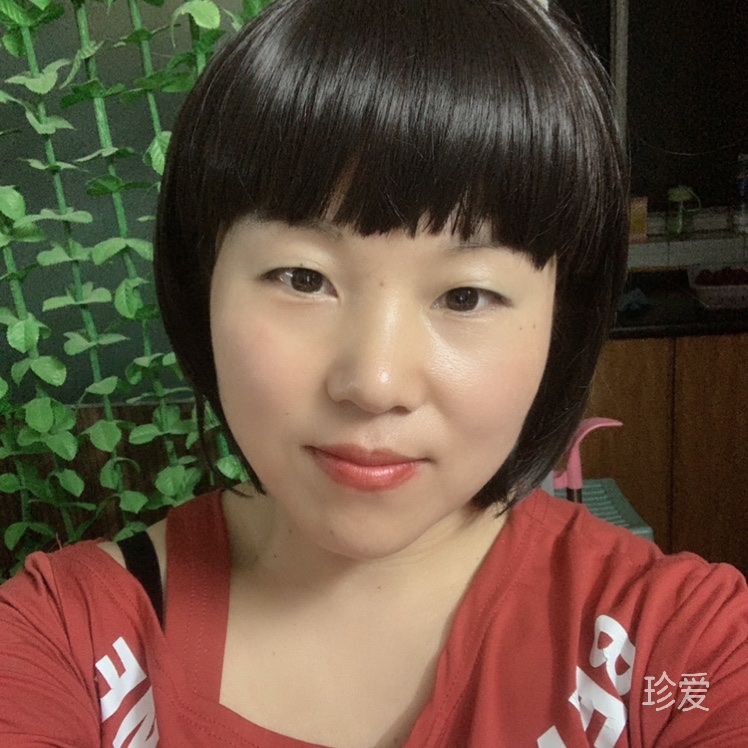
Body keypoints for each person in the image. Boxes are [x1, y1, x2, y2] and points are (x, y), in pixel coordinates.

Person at [1, 0, 747, 745]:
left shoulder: (682, 649)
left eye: (466, 295)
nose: (375, 384)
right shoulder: (65, 643)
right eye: (302, 278)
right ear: (204, 288)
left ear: (564, 320)